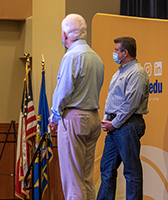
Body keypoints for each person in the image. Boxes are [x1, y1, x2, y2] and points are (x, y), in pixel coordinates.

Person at [48, 14, 104, 200]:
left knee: (73, 182)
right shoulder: (96, 58)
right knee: (86, 180)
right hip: (93, 118)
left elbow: (63, 91)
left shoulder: (71, 57)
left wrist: (55, 116)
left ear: (64, 35)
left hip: (74, 119)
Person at [97, 37, 149, 200]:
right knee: (107, 169)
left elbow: (130, 104)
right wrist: (107, 119)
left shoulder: (137, 72)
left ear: (125, 53)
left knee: (131, 172)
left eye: (116, 50)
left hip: (128, 124)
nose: (114, 53)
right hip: (115, 125)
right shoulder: (118, 72)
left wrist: (114, 123)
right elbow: (111, 99)